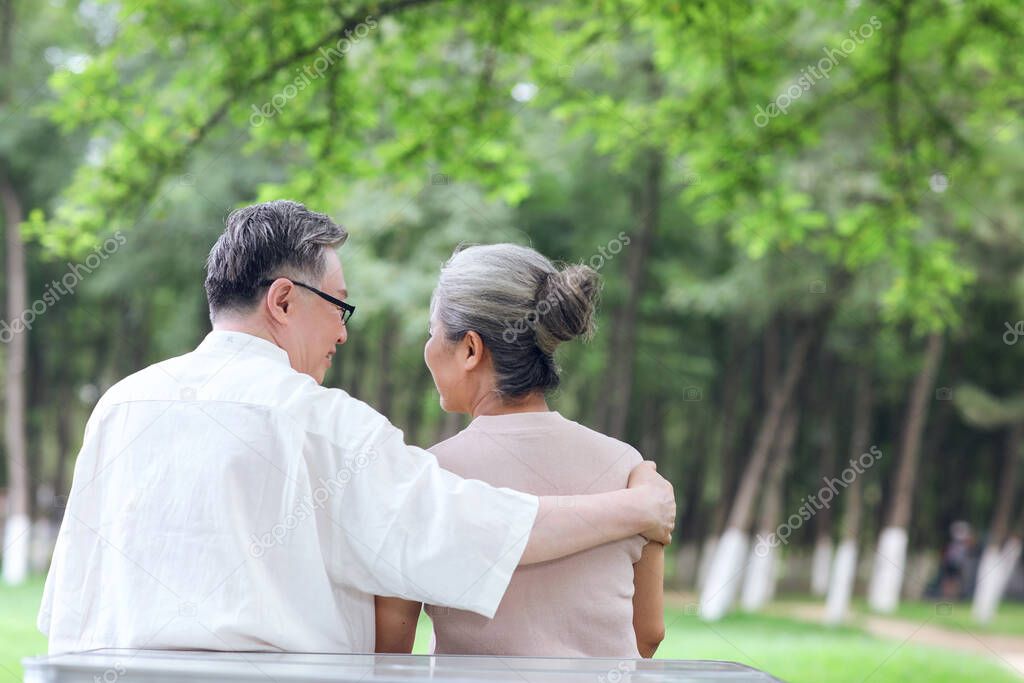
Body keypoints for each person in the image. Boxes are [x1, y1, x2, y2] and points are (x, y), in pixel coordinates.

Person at [38, 200, 675, 655]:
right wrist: (636, 507)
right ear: (283, 301)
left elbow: (69, 603)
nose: (344, 331)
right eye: (339, 306)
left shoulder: (122, 405)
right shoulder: (324, 425)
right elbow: (477, 532)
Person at [375, 244, 665, 658]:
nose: (427, 347)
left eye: (431, 331)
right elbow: (649, 633)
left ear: (470, 349)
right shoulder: (631, 470)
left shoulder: (425, 475)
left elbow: (389, 647)